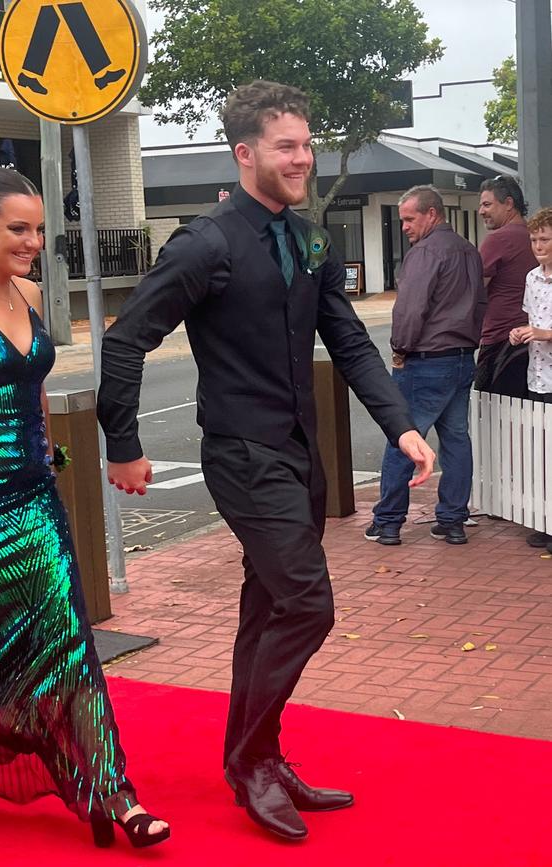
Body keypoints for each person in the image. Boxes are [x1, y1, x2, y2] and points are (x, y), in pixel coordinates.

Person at [97, 80, 435, 841]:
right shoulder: (205, 242)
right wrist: (124, 444)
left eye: (308, 145)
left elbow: (347, 338)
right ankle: (251, 762)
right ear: (245, 152)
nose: (303, 158)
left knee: (269, 605)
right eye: (288, 146)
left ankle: (259, 754)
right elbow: (125, 339)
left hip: (299, 453)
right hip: (242, 455)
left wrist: (401, 425)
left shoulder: (308, 237)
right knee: (309, 602)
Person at [0, 168, 169, 848]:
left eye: (39, 229)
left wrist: (48, 450)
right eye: (17, 229)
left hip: (31, 498)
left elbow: (34, 386)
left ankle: (109, 789)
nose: (32, 241)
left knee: (66, 638)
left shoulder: (29, 293)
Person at [366, 185, 486, 547]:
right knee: (456, 440)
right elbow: (480, 304)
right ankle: (452, 521)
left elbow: (410, 309)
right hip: (463, 357)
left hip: (425, 359)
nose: (403, 226)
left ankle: (387, 522)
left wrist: (400, 349)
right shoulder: (468, 251)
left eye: (409, 218)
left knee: (403, 438)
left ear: (431, 214)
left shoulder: (424, 254)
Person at [509, 207, 552, 550]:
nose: (539, 245)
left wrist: (541, 332)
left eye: (546, 239)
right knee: (543, 452)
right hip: (537, 375)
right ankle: (546, 523)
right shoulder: (531, 278)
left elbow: (541, 327)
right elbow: (530, 320)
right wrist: (520, 333)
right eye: (535, 239)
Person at [475, 175, 537, 399]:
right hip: (535, 340)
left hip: (500, 341)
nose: (481, 211)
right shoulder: (536, 237)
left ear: (509, 204)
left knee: (491, 414)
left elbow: (474, 290)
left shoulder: (497, 240)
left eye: (487, 204)